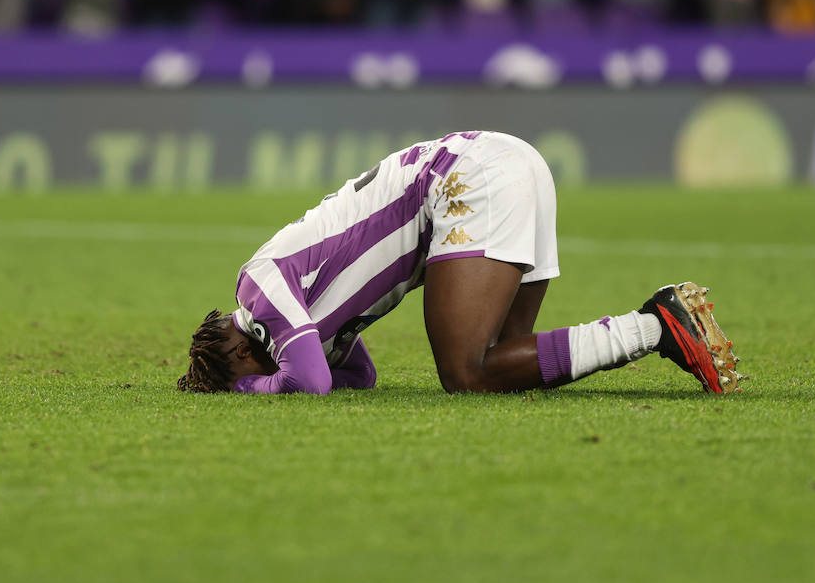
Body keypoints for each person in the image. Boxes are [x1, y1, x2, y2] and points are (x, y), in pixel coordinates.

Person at [177, 131, 740, 395]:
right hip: (505, 167)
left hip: (465, 180)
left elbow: (313, 382)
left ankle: (655, 326)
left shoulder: (259, 286)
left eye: (241, 374)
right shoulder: (301, 323)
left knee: (466, 372)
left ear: (238, 352)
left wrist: (254, 391)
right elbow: (359, 376)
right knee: (505, 369)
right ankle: (655, 329)